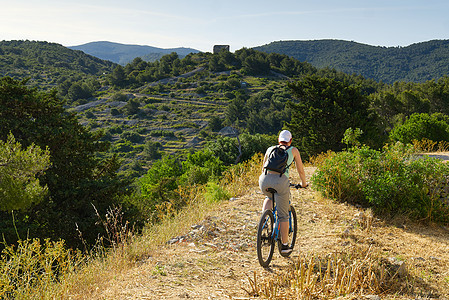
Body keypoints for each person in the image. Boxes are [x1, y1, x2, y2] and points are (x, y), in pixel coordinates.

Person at [259, 129, 308, 254]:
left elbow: (264, 165)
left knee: (269, 197)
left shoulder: (270, 149)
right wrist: (303, 184)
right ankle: (285, 246)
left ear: (278, 140)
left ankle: (264, 222)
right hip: (280, 181)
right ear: (290, 141)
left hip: (264, 180)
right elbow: (300, 170)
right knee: (283, 215)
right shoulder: (293, 150)